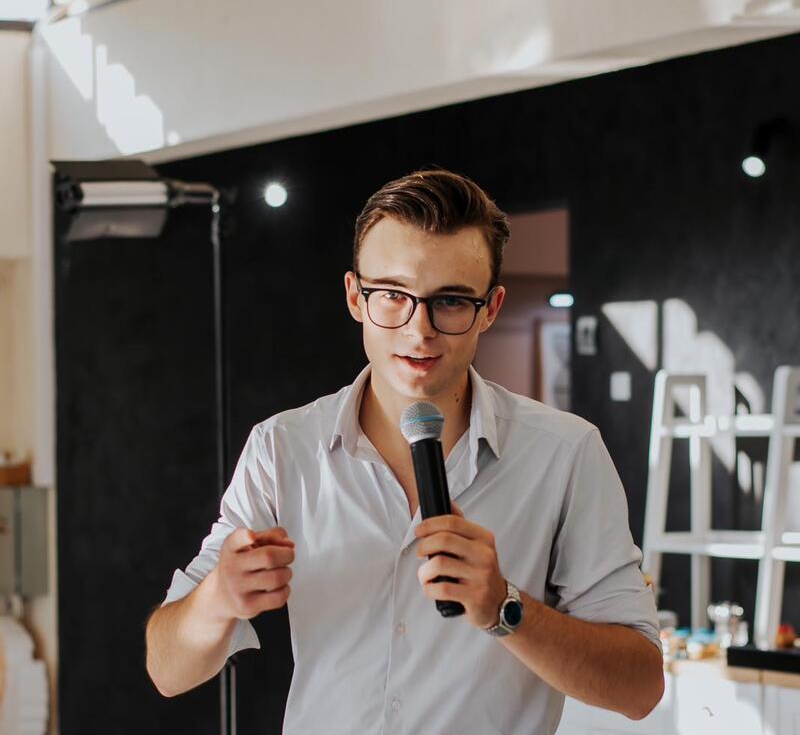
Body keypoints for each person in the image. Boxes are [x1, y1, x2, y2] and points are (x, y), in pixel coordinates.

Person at [145, 169, 664, 733]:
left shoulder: (565, 454)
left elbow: (639, 688)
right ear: (355, 296)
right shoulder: (282, 448)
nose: (419, 331)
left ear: (490, 308)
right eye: (393, 295)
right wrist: (217, 597)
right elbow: (167, 671)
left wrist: (504, 607)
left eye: (451, 301)